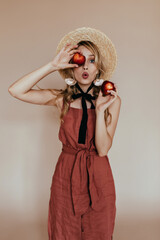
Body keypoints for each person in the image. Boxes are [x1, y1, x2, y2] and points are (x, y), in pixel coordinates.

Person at [8, 27, 121, 240]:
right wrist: (52, 66)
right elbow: (16, 90)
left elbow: (103, 149)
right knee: (64, 229)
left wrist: (99, 110)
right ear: (72, 67)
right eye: (80, 60)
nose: (86, 66)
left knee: (99, 229)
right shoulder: (61, 99)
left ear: (99, 69)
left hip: (98, 175)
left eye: (92, 60)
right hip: (66, 174)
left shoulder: (112, 102)